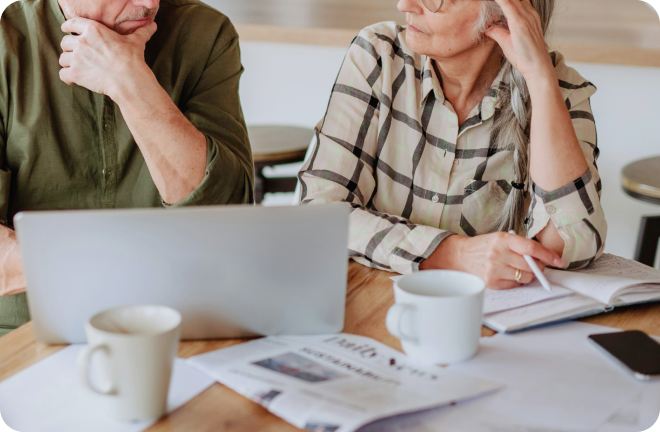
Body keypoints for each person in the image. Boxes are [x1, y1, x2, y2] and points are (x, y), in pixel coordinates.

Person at [298, 0, 607, 288]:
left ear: (501, 11)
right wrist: (455, 254)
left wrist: (539, 80)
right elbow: (319, 214)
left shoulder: (559, 91)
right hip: (373, 299)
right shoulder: (379, 56)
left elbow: (571, 246)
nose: (404, 4)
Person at [0, 0, 254, 335]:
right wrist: (125, 262)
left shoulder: (205, 33)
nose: (149, 3)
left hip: (180, 322)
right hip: (25, 336)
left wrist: (131, 83)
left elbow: (227, 221)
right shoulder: (7, 37)